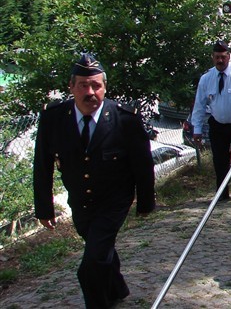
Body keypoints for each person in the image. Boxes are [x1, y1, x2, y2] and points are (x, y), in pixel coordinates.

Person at [33, 53, 155, 308]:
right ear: (71, 87)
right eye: (83, 85)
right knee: (100, 250)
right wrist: (44, 208)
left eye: (96, 85)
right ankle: (117, 288)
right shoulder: (53, 118)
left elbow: (142, 164)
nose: (90, 92)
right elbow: (42, 164)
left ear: (105, 87)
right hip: (80, 201)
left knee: (91, 264)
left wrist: (145, 202)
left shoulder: (125, 119)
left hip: (114, 200)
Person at [190, 41, 231, 201]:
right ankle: (222, 195)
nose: (220, 61)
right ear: (212, 57)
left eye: (223, 57)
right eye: (217, 57)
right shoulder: (206, 79)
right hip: (218, 126)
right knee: (219, 162)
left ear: (229, 57)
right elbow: (199, 105)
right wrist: (197, 129)